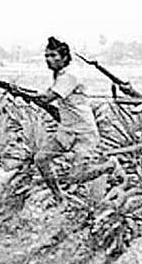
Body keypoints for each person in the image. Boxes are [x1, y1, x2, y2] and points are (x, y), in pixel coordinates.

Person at [33, 36, 102, 201]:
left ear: (64, 57)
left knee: (76, 177)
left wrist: (20, 92)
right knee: (41, 159)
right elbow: (53, 106)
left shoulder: (69, 76)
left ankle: (109, 166)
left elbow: (46, 99)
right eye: (47, 56)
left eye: (53, 56)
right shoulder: (61, 75)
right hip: (67, 130)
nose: (49, 60)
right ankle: (59, 197)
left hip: (83, 133)